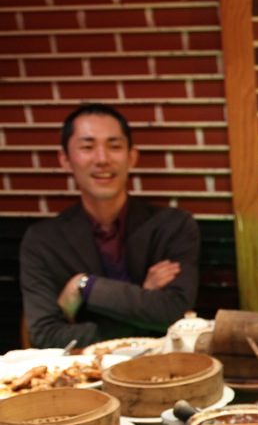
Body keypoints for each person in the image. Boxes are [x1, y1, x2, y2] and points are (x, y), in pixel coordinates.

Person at [20, 103, 199, 348]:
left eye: (114, 146)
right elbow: (45, 335)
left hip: (162, 365)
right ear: (65, 160)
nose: (102, 159)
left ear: (131, 157)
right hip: (84, 370)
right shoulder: (43, 241)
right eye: (87, 147)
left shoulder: (173, 226)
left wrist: (86, 286)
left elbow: (173, 313)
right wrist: (142, 301)